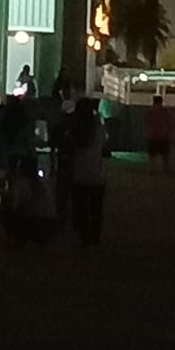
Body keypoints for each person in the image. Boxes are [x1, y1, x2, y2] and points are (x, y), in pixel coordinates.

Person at [70, 99, 107, 247]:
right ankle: (95, 237)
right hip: (97, 173)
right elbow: (104, 145)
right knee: (96, 209)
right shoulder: (99, 129)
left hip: (80, 173)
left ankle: (84, 236)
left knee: (82, 208)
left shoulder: (75, 130)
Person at [0, 156, 58, 247]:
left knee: (7, 211)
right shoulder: (44, 181)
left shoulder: (22, 183)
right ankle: (41, 239)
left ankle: (19, 238)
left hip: (37, 223)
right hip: (52, 224)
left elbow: (16, 206)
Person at [0, 97, 35, 177]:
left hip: (10, 151)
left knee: (8, 173)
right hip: (21, 152)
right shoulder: (24, 120)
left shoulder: (4, 120)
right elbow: (28, 138)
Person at [145, 95, 171, 173]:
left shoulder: (150, 111)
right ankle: (164, 169)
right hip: (162, 134)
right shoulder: (165, 111)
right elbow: (168, 123)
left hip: (153, 134)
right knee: (164, 154)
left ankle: (151, 168)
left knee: (152, 154)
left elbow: (147, 123)